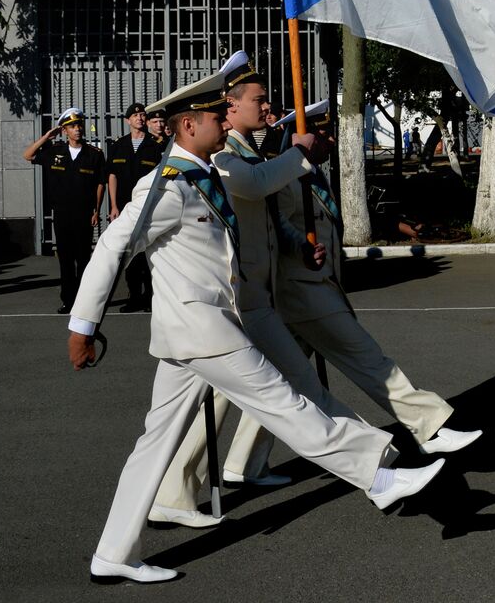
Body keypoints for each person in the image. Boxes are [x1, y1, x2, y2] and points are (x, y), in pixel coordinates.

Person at [65, 71, 442, 585]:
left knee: (155, 444)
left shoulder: (207, 176)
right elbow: (112, 246)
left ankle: (113, 553)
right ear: (188, 124)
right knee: (283, 402)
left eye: (225, 112)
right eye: (216, 116)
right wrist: (83, 325)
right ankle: (377, 477)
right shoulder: (167, 187)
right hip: (203, 330)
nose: (225, 121)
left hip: (200, 331)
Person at [225, 101, 482, 475]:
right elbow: (275, 222)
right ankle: (430, 427)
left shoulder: (310, 171)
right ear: (304, 135)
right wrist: (300, 245)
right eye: (323, 133)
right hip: (301, 288)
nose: (328, 140)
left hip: (315, 284)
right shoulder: (285, 169)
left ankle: (242, 464)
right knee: (367, 358)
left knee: (280, 384)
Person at [23, 107, 105, 314]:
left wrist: (96, 210)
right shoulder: (54, 151)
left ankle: (85, 301)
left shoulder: (94, 154)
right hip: (62, 214)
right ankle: (68, 300)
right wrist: (47, 137)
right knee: (66, 260)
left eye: (79, 125)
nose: (77, 129)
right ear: (64, 130)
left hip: (84, 214)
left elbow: (100, 184)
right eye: (71, 126)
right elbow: (27, 155)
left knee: (84, 259)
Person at [105, 102, 164, 312]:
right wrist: (113, 205)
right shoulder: (119, 145)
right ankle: (134, 297)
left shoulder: (156, 145)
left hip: (149, 207)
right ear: (127, 120)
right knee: (130, 254)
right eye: (135, 115)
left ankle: (150, 297)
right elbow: (112, 176)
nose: (139, 118)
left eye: (142, 115)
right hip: (124, 208)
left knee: (148, 251)